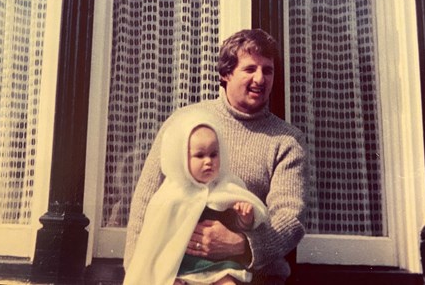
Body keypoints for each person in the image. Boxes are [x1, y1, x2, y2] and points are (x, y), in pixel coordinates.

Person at [124, 28, 309, 284]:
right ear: (225, 74)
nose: (260, 78)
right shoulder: (186, 123)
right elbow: (146, 200)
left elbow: (289, 218)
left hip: (254, 278)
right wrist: (138, 272)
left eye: (268, 70)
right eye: (250, 69)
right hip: (176, 275)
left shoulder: (287, 140)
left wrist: (241, 245)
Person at [123, 110, 269, 285]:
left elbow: (235, 225)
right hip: (178, 265)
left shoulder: (228, 188)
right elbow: (155, 238)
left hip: (216, 264)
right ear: (183, 158)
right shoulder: (171, 194)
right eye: (200, 155)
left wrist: (245, 218)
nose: (208, 161)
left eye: (213, 154)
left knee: (228, 282)